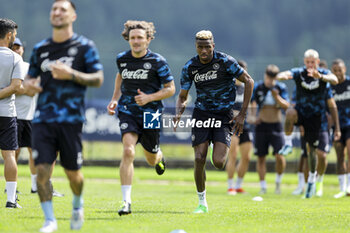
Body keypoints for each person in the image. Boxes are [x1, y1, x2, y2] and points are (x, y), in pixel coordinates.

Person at [24, 0, 104, 232]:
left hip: (71, 120)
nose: (57, 13)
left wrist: (71, 74)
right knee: (41, 172)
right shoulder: (40, 49)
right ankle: (50, 220)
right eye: (54, 9)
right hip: (43, 120)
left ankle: (77, 205)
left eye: (63, 10)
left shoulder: (84, 47)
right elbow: (30, 79)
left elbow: (97, 79)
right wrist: (29, 86)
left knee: (74, 175)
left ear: (73, 17)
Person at [174, 30, 254, 213]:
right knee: (198, 158)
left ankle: (212, 146)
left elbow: (249, 81)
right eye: (200, 47)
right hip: (202, 114)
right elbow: (183, 96)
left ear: (213, 46)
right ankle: (202, 202)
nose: (204, 51)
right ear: (196, 47)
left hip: (224, 116)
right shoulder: (190, 67)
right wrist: (179, 111)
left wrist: (242, 114)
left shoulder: (225, 62)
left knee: (219, 162)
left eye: (207, 47)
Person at [107, 20, 175, 216]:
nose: (135, 41)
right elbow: (120, 76)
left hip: (152, 113)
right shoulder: (122, 58)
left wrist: (149, 98)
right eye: (132, 38)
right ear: (128, 39)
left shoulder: (158, 62)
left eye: (140, 38)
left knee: (151, 158)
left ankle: (159, 156)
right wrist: (114, 99)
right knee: (128, 151)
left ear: (148, 40)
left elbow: (170, 89)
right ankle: (126, 202)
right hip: (128, 110)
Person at [277, 49, 340, 198]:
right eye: (308, 62)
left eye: (313, 62)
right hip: (301, 113)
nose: (310, 65)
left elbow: (334, 80)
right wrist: (283, 76)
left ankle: (312, 179)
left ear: (317, 62)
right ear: (304, 62)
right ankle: (288, 144)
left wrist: (321, 77)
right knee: (290, 112)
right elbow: (282, 75)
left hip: (316, 119)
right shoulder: (299, 72)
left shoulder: (324, 74)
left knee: (313, 152)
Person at [11, 38, 64, 197]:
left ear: (23, 49)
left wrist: (22, 88)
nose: (16, 50)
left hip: (31, 115)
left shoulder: (28, 67)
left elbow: (36, 87)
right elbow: (14, 88)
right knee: (13, 151)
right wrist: (23, 88)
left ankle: (36, 186)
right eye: (13, 47)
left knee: (36, 151)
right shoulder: (7, 66)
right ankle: (11, 186)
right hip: (13, 114)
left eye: (18, 47)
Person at [250, 64, 289, 194]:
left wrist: (276, 96)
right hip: (261, 126)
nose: (270, 81)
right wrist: (253, 117)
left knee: (279, 155)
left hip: (276, 126)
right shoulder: (259, 87)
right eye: (268, 78)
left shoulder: (280, 88)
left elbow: (286, 106)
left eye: (273, 79)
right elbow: (253, 102)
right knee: (261, 157)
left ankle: (278, 181)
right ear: (265, 76)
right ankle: (263, 186)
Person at [0, 18, 25, 208]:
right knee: (9, 155)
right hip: (7, 114)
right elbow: (16, 86)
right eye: (14, 36)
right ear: (9, 35)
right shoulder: (15, 58)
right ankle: (10, 200)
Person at [225, 60, 253, 195]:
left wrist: (252, 116)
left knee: (246, 157)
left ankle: (238, 185)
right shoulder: (229, 87)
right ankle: (230, 186)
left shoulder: (247, 87)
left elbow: (251, 105)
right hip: (232, 125)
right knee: (233, 155)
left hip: (245, 125)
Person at [331, 59, 350, 198]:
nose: (338, 73)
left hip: (349, 124)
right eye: (335, 71)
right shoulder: (330, 87)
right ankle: (342, 188)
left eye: (340, 70)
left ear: (345, 69)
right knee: (339, 156)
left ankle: (349, 186)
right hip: (336, 126)